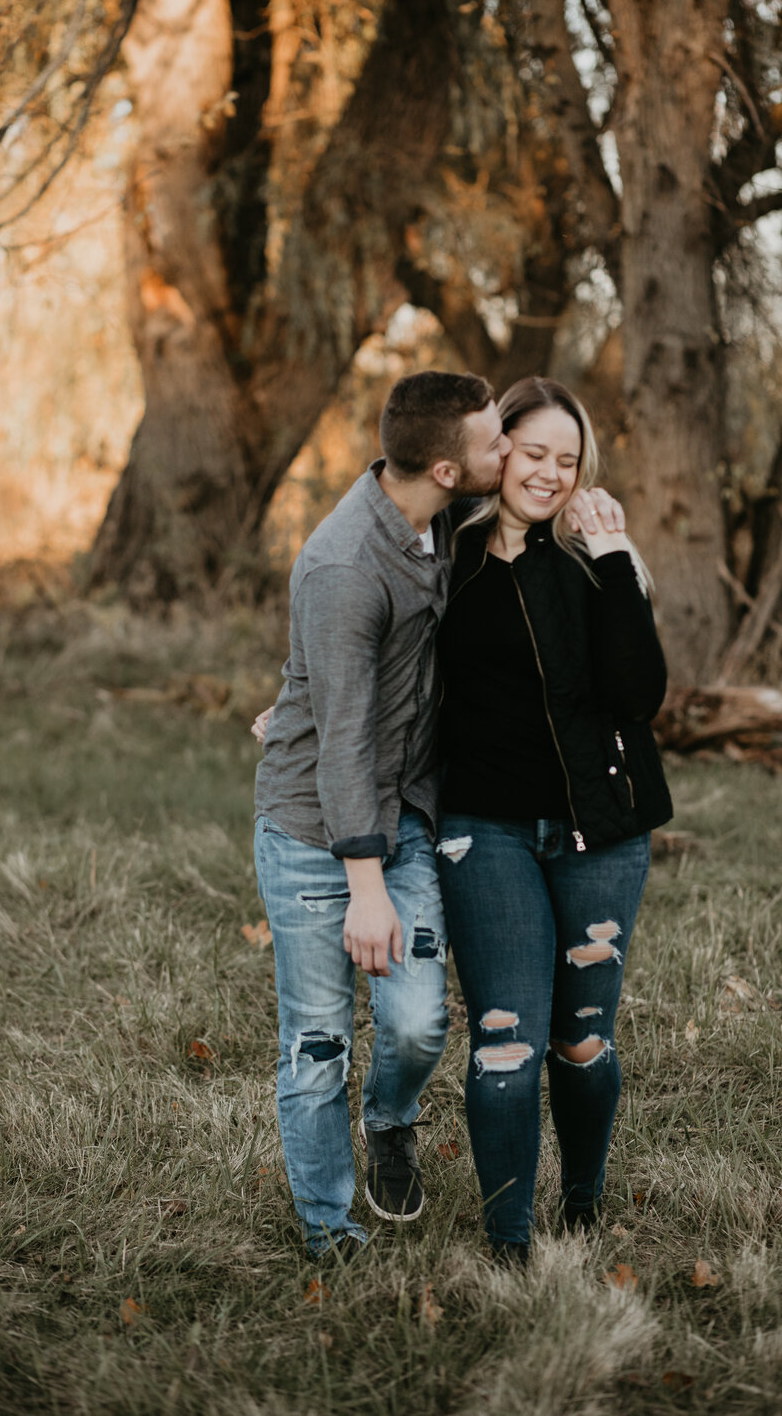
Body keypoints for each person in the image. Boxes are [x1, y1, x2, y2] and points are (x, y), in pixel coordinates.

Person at [253, 370, 510, 1259]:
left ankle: (389, 1120)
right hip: (315, 835)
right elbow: (344, 746)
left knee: (414, 1021)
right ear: (445, 467)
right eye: (493, 444)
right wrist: (367, 888)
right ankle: (329, 1226)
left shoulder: (435, 521)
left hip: (401, 815)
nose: (507, 453)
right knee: (320, 1041)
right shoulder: (342, 568)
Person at [434, 376, 673, 1264]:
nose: (548, 474)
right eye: (533, 453)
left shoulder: (597, 557)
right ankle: (508, 1245)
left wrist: (612, 558)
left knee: (579, 1041)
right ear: (497, 452)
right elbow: (378, 655)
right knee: (506, 1043)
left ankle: (581, 1202)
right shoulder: (444, 555)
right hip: (482, 829)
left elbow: (638, 695)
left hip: (599, 834)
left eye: (566, 461)